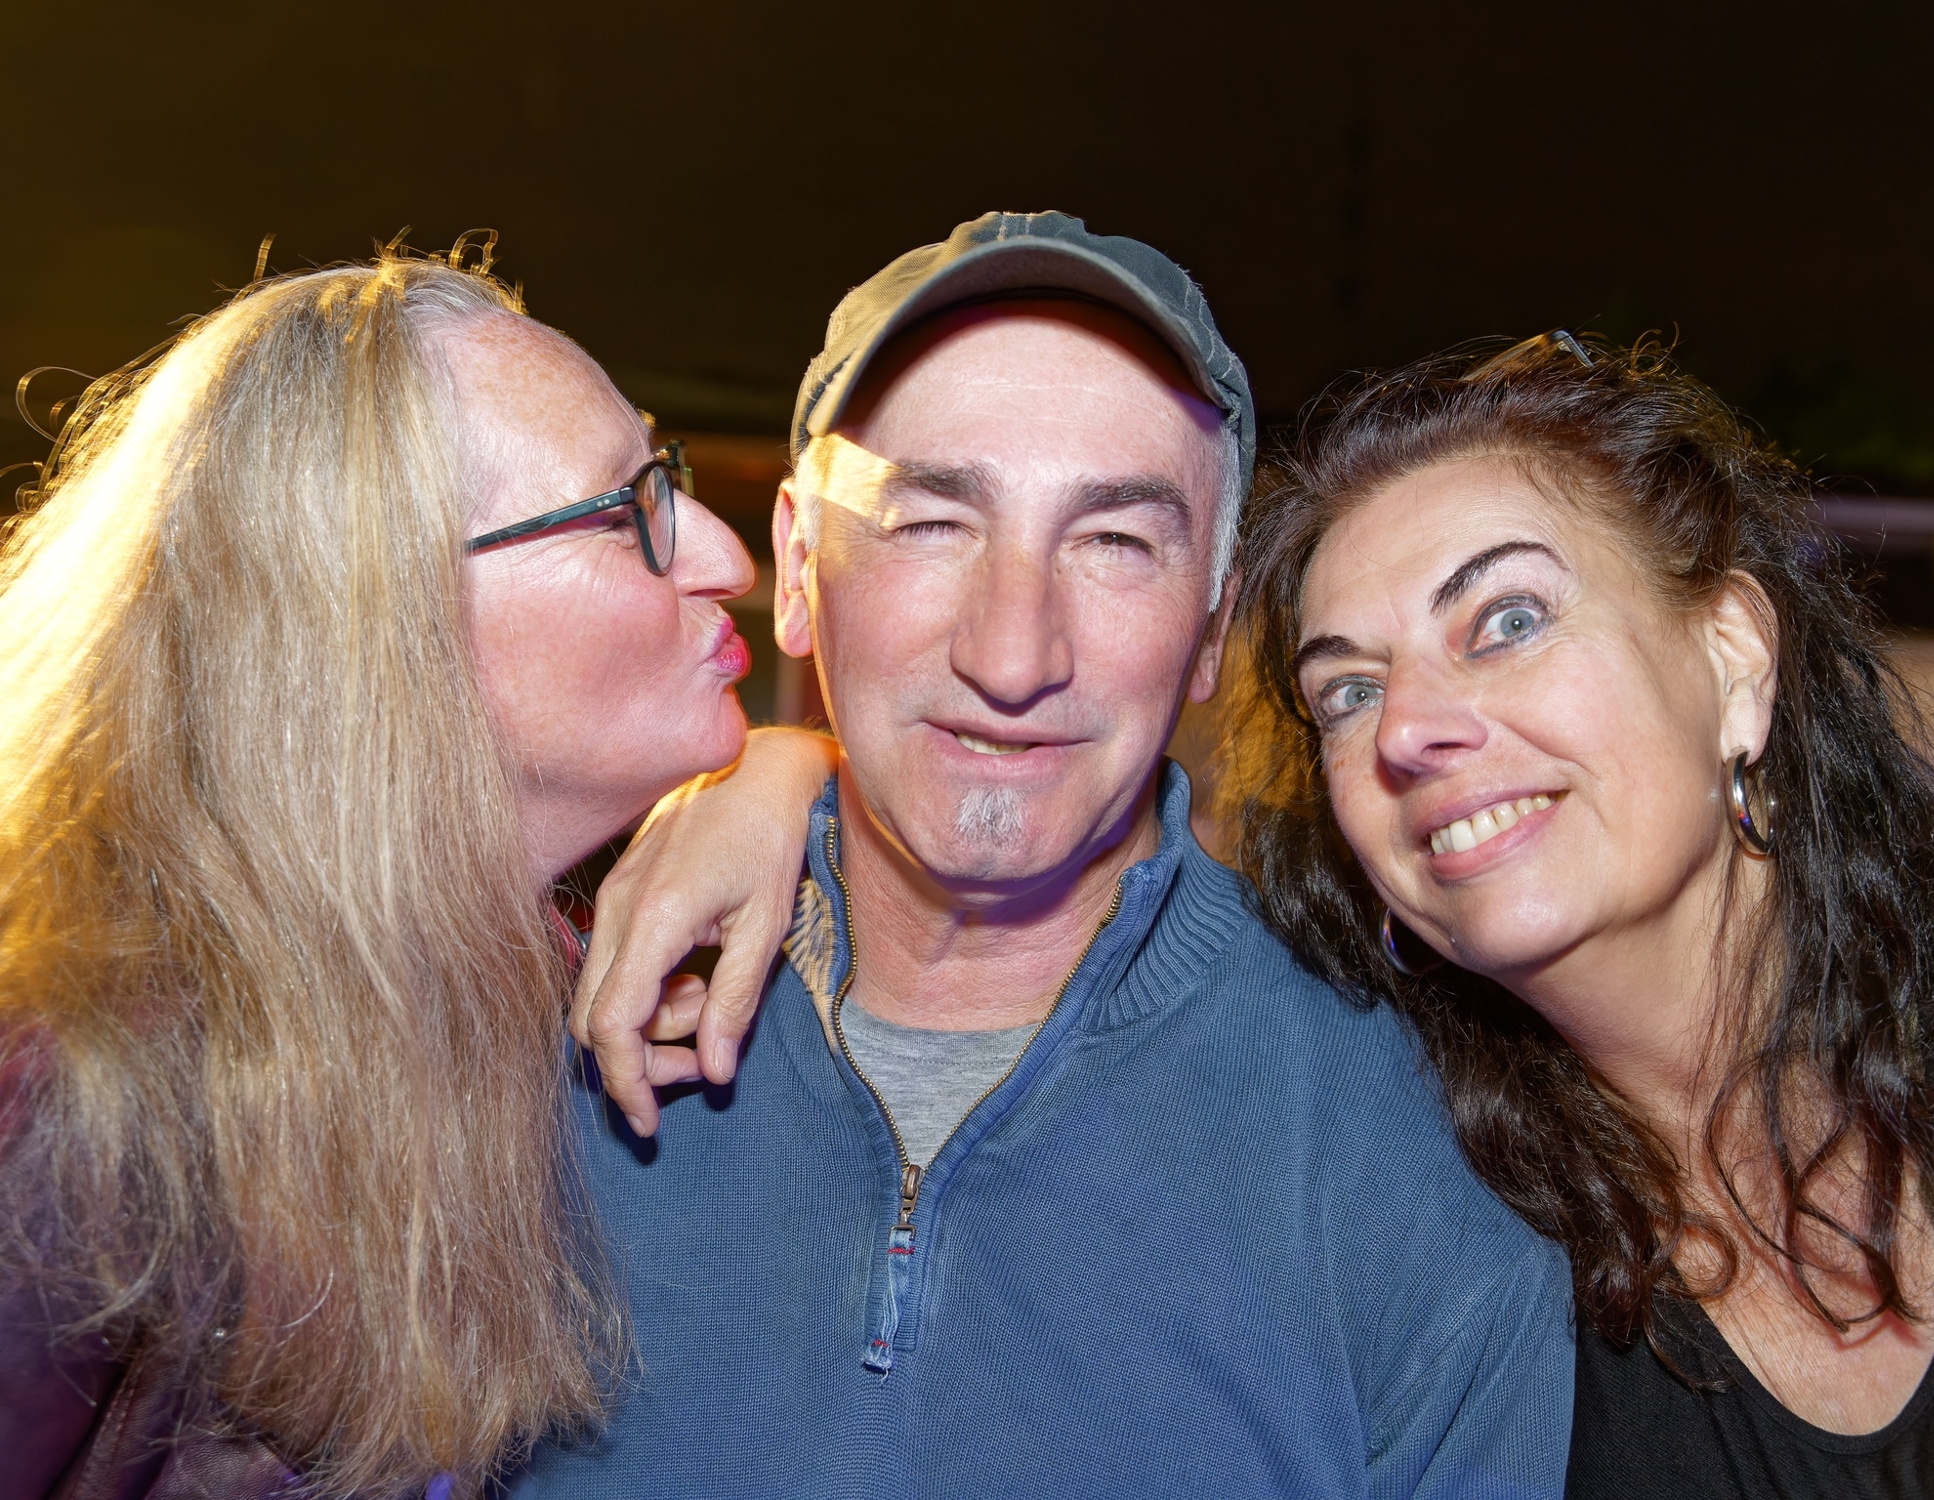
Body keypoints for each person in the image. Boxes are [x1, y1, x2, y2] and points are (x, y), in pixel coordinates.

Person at [521, 211, 1573, 1500]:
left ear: (1209, 631)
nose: (1012, 654)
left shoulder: (1418, 1165)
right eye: (929, 523)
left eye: (1113, 543)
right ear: (797, 568)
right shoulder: (526, 1061)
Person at [0, 244, 756, 1498]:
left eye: (665, 476)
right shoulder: (81, 1083)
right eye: (629, 510)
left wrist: (790, 775)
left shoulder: (512, 1004)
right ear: (378, 612)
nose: (725, 556)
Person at [1218, 334, 1934, 1497]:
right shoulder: (1400, 1235)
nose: (1405, 729)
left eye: (1506, 620)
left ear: (1731, 659)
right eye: (1349, 691)